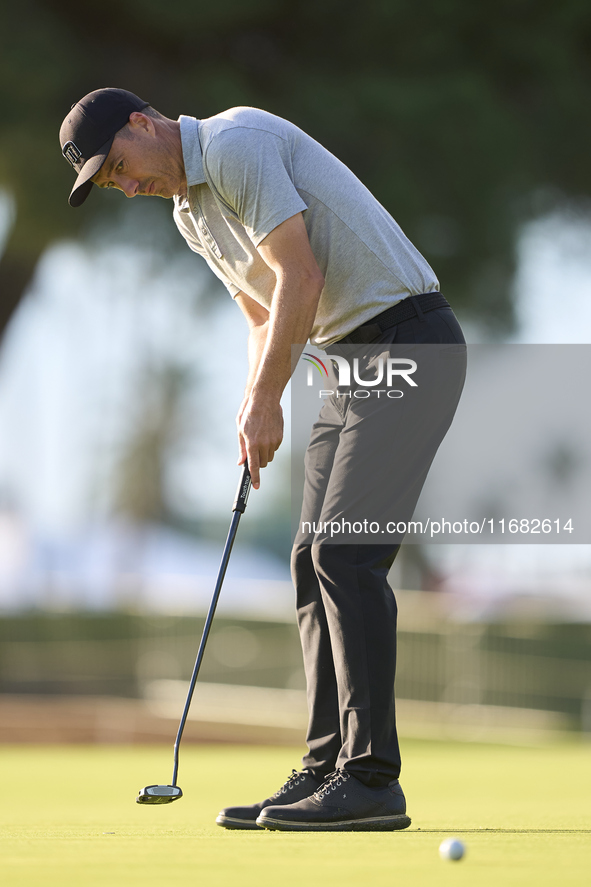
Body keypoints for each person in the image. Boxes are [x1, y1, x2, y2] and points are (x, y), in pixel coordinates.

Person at [59, 88, 465, 832]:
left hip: (408, 343)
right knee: (311, 558)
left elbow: (299, 276)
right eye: (110, 183)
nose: (126, 185)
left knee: (346, 555)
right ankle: (324, 766)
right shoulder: (191, 214)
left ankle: (371, 777)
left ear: (143, 124)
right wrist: (253, 406)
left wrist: (270, 399)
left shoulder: (236, 143)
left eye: (119, 165)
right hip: (348, 364)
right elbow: (258, 312)